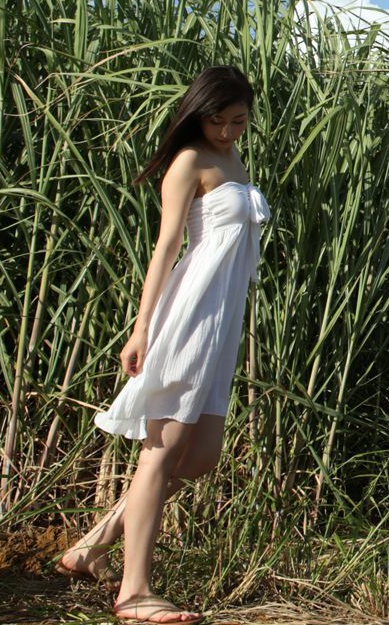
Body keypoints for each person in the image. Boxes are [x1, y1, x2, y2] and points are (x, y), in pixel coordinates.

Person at [56, 65, 269, 624]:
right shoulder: (188, 162)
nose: (226, 131)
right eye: (216, 121)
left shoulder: (233, 158)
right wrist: (142, 328)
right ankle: (134, 592)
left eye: (238, 121)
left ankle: (92, 546)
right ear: (198, 113)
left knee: (199, 459)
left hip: (223, 324)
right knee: (161, 451)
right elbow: (166, 248)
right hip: (189, 317)